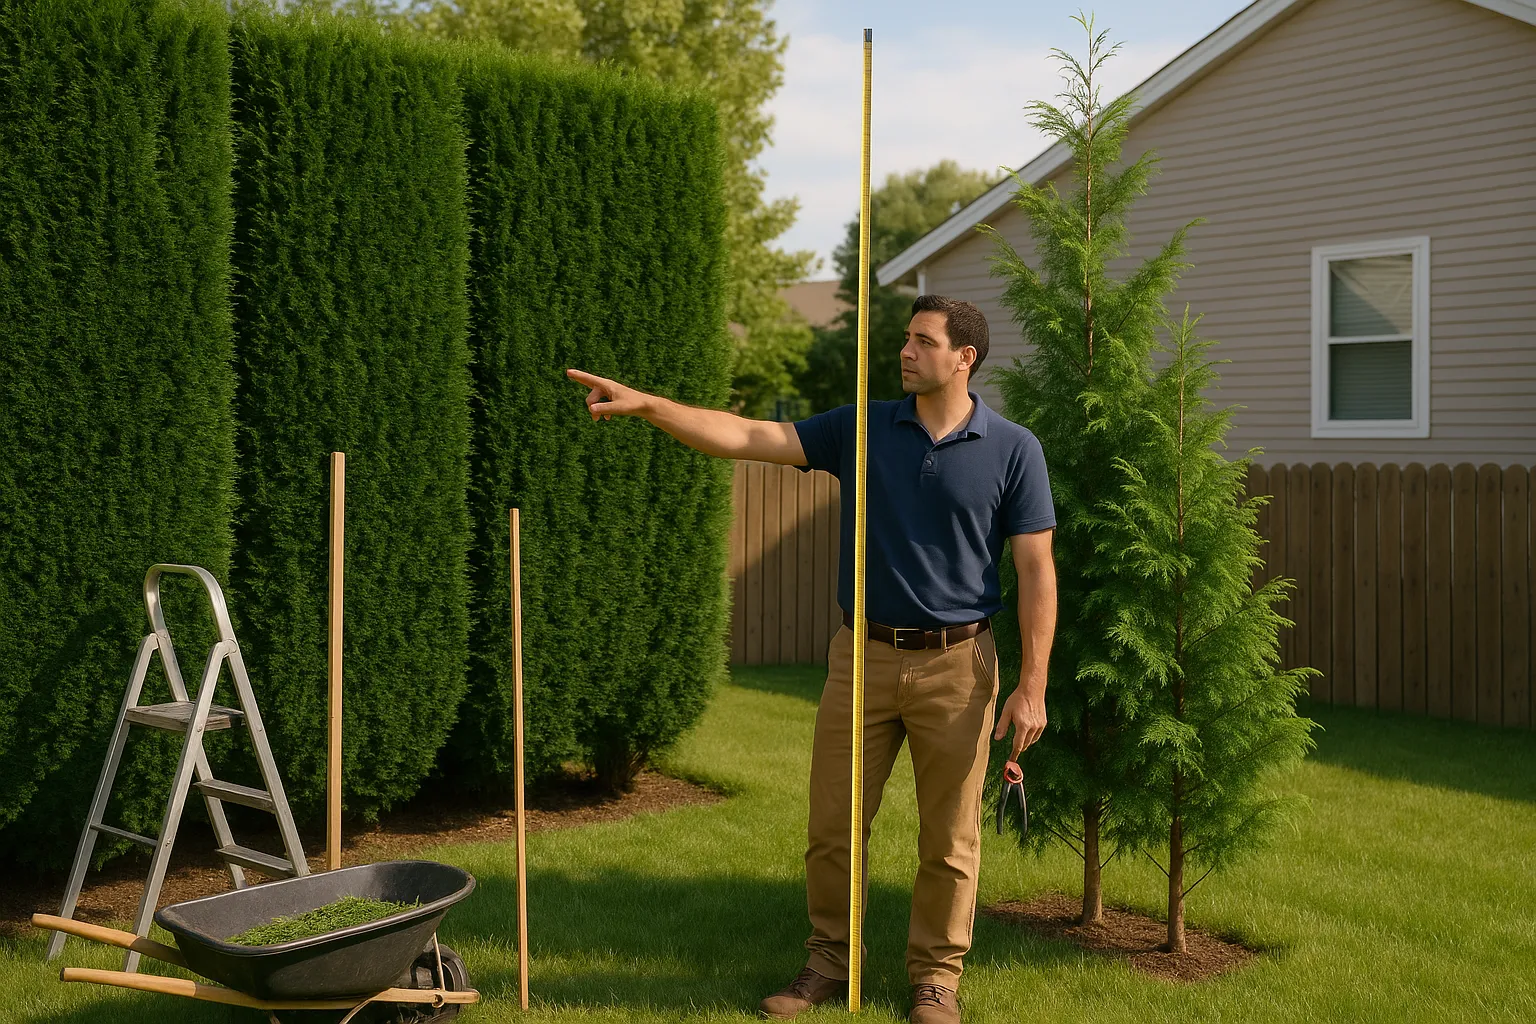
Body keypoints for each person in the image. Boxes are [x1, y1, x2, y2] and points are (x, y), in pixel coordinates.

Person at [567, 294, 1056, 1024]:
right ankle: (828, 961)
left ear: (965, 358)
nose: (905, 351)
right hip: (861, 657)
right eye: (905, 338)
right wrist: (648, 407)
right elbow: (745, 436)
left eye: (923, 341)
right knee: (833, 825)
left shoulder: (1014, 448)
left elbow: (1036, 570)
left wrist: (1031, 687)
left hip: (959, 666)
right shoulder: (862, 430)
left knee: (950, 838)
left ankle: (935, 981)